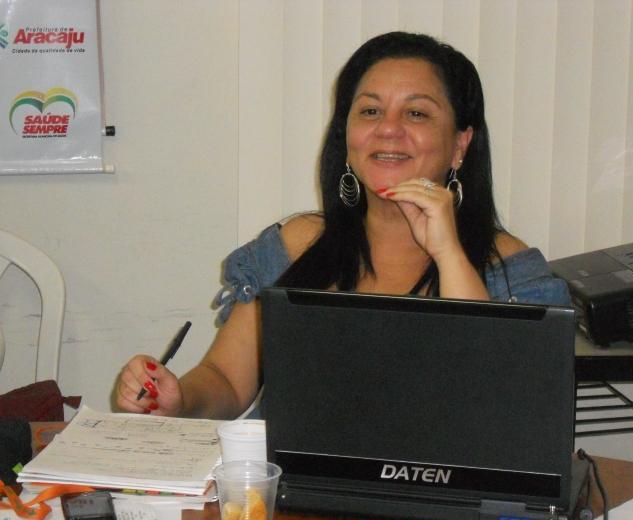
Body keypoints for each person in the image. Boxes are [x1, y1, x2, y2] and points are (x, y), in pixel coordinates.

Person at [115, 31, 570, 420]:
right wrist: (178, 400)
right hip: (294, 489)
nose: (388, 129)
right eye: (370, 111)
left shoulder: (513, 272)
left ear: (460, 144)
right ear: (347, 136)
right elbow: (227, 381)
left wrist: (448, 253)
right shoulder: (294, 246)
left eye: (416, 113)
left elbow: (501, 407)